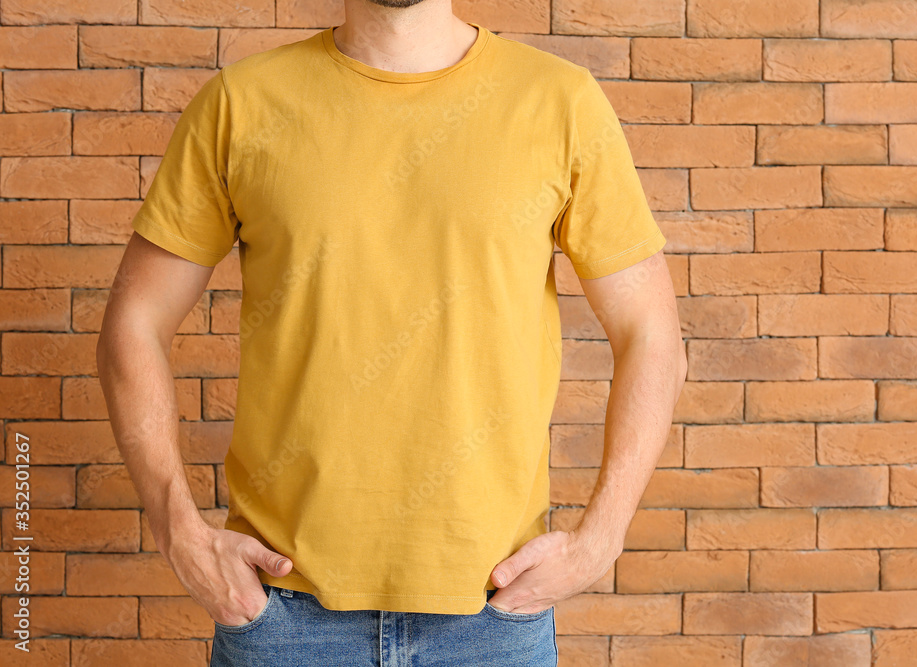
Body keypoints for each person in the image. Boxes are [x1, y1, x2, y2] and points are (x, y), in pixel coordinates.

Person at [96, 0, 687, 664]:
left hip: (491, 619)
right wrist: (179, 529)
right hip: (284, 617)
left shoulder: (560, 103)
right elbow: (134, 322)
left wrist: (602, 536)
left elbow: (651, 333)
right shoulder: (240, 104)